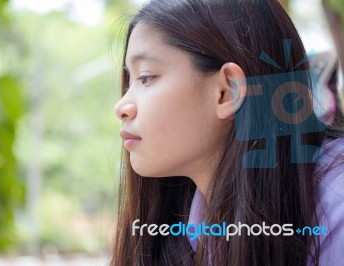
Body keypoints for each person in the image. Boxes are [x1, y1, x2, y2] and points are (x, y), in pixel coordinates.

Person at [112, 0, 344, 265]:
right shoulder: (195, 217)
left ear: (227, 91)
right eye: (130, 80)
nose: (121, 107)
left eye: (146, 77)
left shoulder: (336, 207)